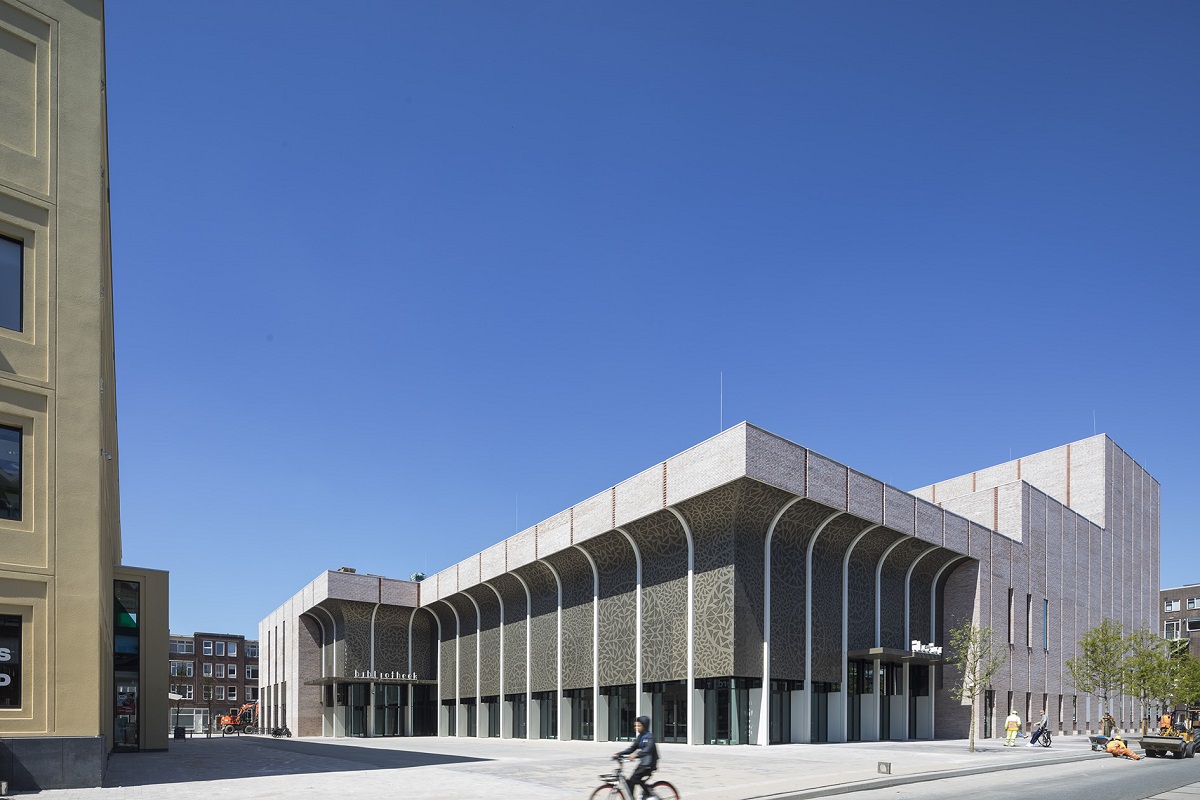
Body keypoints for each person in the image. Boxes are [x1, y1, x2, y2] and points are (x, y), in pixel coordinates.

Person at [616, 715, 659, 800]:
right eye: (635, 725)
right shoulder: (640, 736)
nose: (636, 727)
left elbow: (648, 749)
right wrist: (619, 754)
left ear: (645, 726)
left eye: (639, 725)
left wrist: (637, 755)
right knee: (631, 782)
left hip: (650, 764)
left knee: (635, 779)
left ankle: (650, 795)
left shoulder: (650, 736)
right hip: (644, 763)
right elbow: (632, 748)